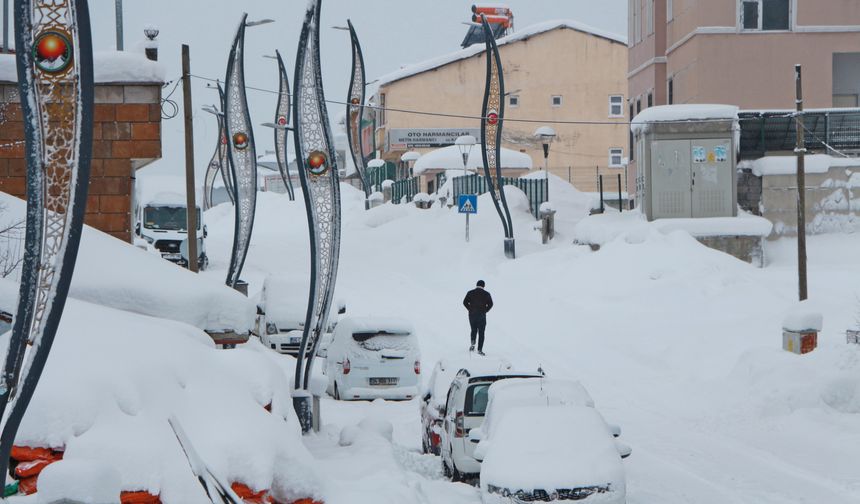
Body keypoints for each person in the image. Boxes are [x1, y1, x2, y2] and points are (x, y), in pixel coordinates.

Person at [463, 280, 493, 355]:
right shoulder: (486, 294)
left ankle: (472, 345)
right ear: (484, 286)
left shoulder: (470, 292)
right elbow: (491, 304)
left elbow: (464, 302)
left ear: (476, 285)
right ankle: (480, 350)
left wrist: (470, 309)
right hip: (481, 316)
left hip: (472, 315)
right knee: (481, 332)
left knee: (473, 330)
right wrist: (485, 310)